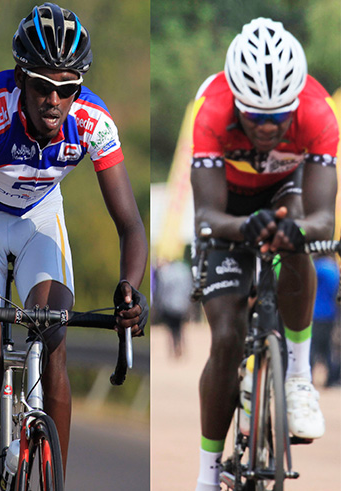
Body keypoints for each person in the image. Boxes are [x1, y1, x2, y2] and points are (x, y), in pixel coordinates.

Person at [0, 4, 148, 489]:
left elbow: (131, 224)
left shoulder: (93, 120)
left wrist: (130, 289)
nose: (54, 100)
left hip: (40, 219)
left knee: (53, 337)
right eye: (42, 87)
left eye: (67, 89)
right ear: (20, 79)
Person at [189, 18, 337, 490]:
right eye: (256, 117)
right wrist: (241, 227)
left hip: (284, 194)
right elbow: (207, 214)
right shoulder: (211, 110)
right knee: (227, 337)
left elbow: (323, 218)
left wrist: (292, 229)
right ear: (237, 102)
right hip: (229, 207)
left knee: (297, 240)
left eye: (280, 117)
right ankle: (207, 475)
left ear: (296, 102)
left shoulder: (317, 114)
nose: (268, 127)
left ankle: (297, 378)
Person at [311, 253, 340, 386]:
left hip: (317, 314)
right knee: (327, 348)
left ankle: (308, 377)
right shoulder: (333, 268)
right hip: (329, 313)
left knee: (314, 348)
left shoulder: (319, 267)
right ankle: (332, 378)